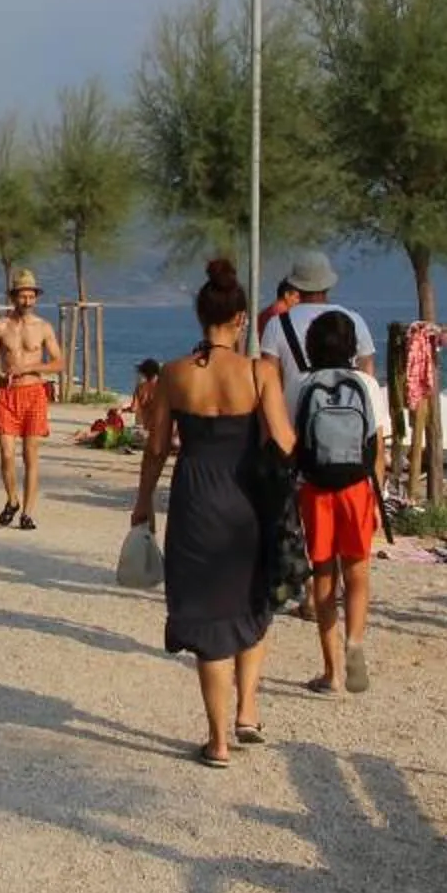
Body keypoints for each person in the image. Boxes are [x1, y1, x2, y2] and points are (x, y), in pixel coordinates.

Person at [130, 259, 298, 767]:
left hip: (196, 500)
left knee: (206, 614)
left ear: (200, 316)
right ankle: (248, 710)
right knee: (252, 599)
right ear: (242, 319)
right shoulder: (259, 371)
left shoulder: (176, 375)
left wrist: (142, 505)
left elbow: (157, 448)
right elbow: (285, 442)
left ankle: (219, 739)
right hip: (248, 502)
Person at [286, 308, 388, 695]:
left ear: (312, 345)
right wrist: (377, 497)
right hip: (357, 488)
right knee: (358, 572)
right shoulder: (365, 383)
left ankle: (331, 672)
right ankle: (355, 642)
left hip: (316, 489)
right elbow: (377, 448)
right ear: (350, 346)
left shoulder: (301, 383)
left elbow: (293, 440)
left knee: (324, 577)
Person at [0, 268, 62, 529]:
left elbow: (59, 362)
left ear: (36, 298)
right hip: (7, 393)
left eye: (31, 296)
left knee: (30, 455)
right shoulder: (0, 326)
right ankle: (12, 500)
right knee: (6, 453)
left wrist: (29, 369)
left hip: (34, 393)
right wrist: (0, 373)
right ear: (13, 297)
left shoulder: (43, 327)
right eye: (22, 296)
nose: (27, 301)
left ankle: (27, 512)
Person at [259, 249, 376, 380]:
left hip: (295, 400)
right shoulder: (354, 320)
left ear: (295, 285)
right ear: (329, 283)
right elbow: (367, 374)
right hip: (347, 398)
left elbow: (269, 378)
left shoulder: (277, 324)